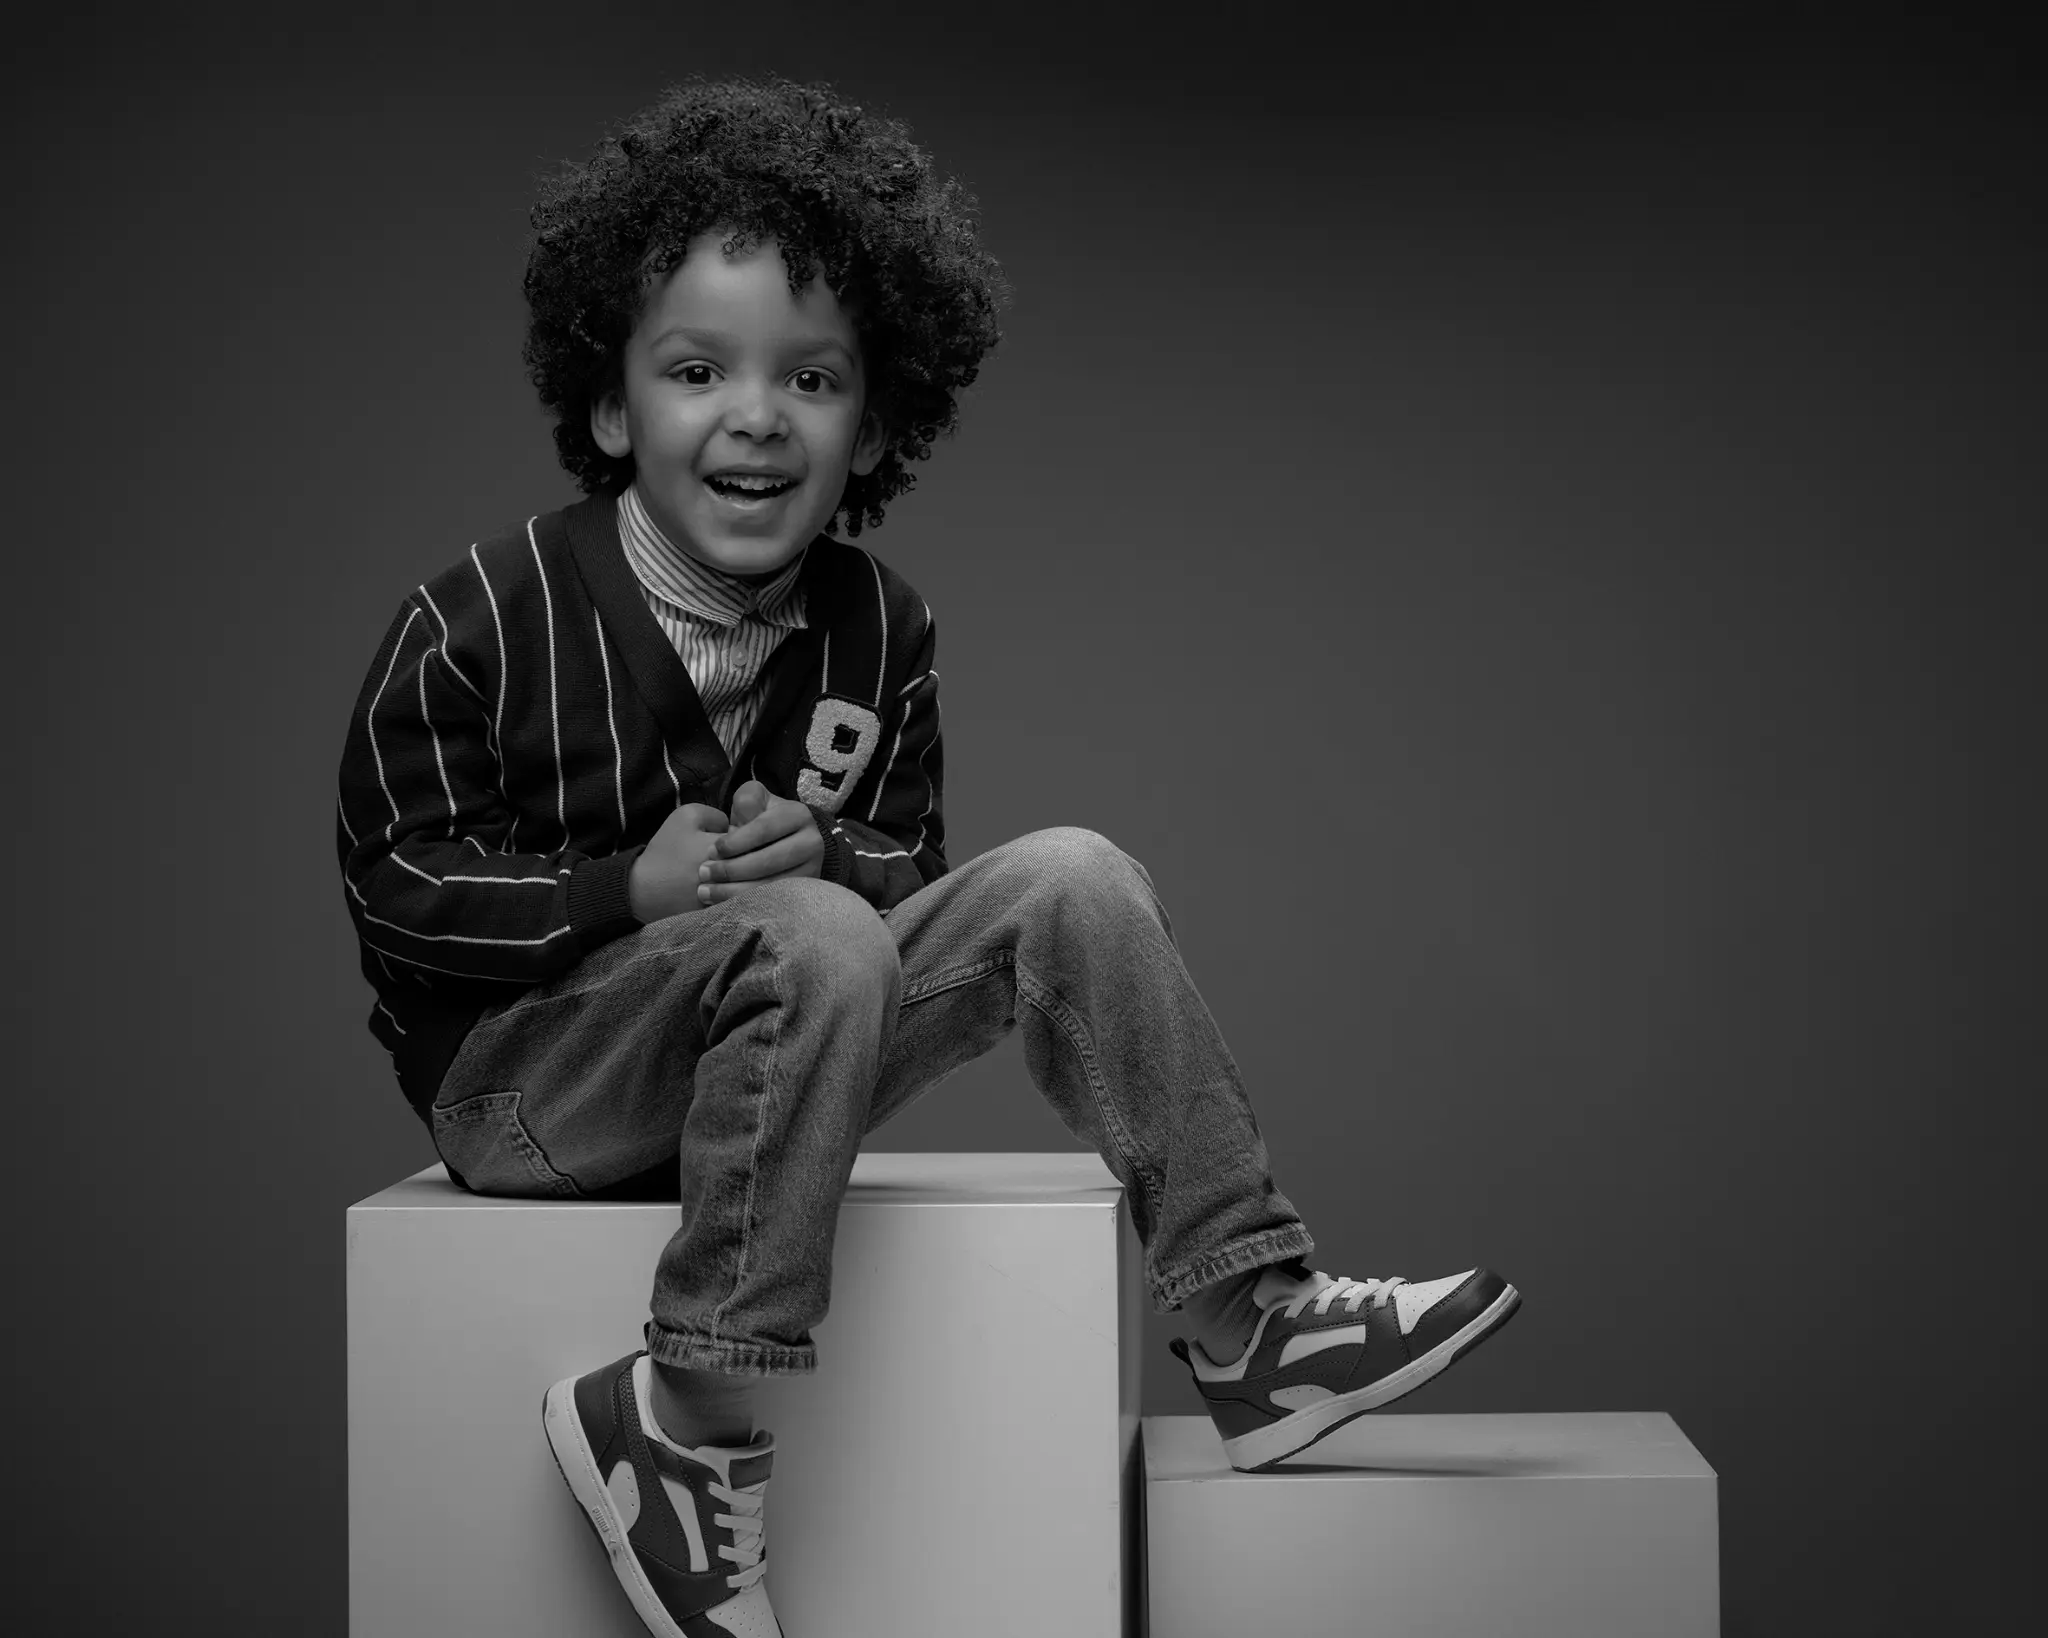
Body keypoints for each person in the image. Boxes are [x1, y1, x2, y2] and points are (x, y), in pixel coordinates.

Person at [335, 74, 1521, 1638]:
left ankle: (1252, 1319)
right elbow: (396, 881)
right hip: (527, 1083)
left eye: (811, 378)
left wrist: (826, 846)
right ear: (613, 403)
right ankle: (678, 1423)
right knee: (818, 934)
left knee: (1074, 874)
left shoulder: (879, 626)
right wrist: (620, 891)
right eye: (697, 369)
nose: (754, 415)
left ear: (875, 418)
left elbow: (915, 877)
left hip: (776, 1056)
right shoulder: (479, 615)